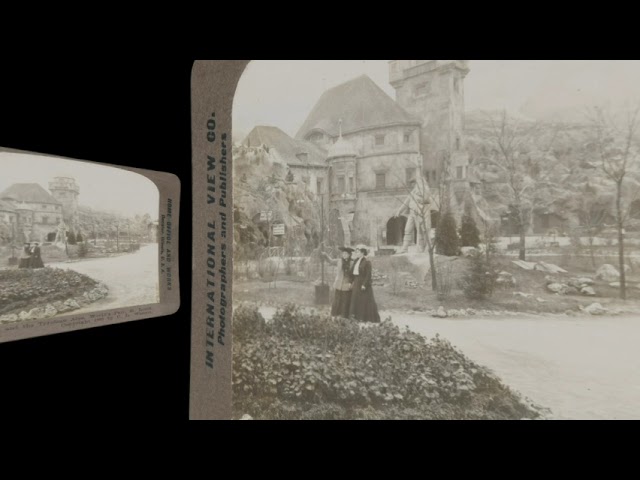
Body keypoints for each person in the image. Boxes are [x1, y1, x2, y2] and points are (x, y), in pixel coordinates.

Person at [348, 246, 381, 323]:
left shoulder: (367, 262)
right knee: (355, 300)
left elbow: (368, 275)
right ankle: (355, 317)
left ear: (362, 253)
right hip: (356, 282)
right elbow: (352, 273)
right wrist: (350, 282)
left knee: (364, 301)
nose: (356, 253)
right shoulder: (356, 261)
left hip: (363, 283)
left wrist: (364, 284)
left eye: (358, 252)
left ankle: (365, 318)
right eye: (356, 252)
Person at [321, 246, 354, 318]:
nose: (344, 255)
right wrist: (325, 255)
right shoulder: (339, 261)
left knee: (345, 300)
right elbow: (330, 261)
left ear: (349, 255)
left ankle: (344, 315)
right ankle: (335, 314)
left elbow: (353, 275)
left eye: (346, 254)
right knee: (337, 299)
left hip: (346, 284)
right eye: (343, 253)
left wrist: (351, 283)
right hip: (338, 283)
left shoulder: (352, 263)